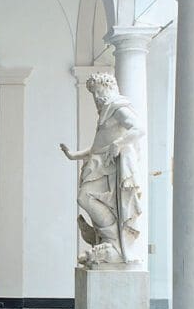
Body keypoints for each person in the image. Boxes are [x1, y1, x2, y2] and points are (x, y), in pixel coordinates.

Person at [60, 74, 144, 266]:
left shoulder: (118, 108)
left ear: (110, 87)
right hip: (98, 163)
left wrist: (120, 143)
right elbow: (97, 147)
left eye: (99, 91)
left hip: (107, 168)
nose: (97, 97)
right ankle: (105, 239)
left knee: (85, 197)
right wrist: (74, 155)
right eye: (93, 93)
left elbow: (138, 128)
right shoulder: (107, 112)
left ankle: (112, 241)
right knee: (85, 198)